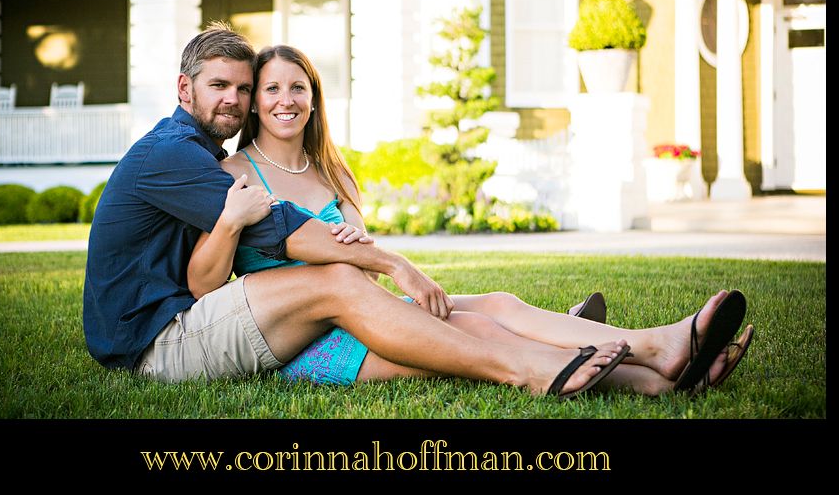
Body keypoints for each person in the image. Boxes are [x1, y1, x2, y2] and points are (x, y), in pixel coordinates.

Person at [82, 22, 746, 400]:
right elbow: (270, 240)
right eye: (224, 88)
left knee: (485, 307)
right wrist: (396, 264)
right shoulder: (181, 156)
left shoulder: (197, 152)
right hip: (156, 343)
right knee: (455, 322)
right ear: (184, 89)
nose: (236, 99)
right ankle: (550, 360)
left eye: (242, 86)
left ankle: (661, 365)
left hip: (225, 319)